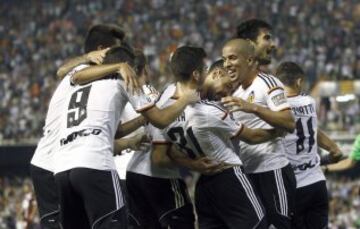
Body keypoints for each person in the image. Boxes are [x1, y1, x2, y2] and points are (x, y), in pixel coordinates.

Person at [53, 46, 199, 229]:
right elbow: (161, 120)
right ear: (128, 67)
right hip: (94, 164)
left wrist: (138, 124)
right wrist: (185, 100)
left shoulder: (79, 86)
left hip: (62, 169)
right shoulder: (124, 80)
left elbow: (112, 131)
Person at [151, 45, 282, 229]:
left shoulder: (164, 102)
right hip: (228, 174)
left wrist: (191, 164)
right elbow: (252, 136)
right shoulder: (209, 110)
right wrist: (280, 128)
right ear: (213, 74)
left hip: (203, 184)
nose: (227, 93)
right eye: (228, 86)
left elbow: (162, 152)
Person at [30, 24, 136, 229]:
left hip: (62, 161)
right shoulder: (83, 71)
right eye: (113, 51)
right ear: (100, 49)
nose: (117, 57)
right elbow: (64, 71)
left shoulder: (92, 77)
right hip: (51, 162)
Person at [221, 35, 296, 228]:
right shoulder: (236, 93)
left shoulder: (268, 83)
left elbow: (289, 122)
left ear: (250, 60)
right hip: (248, 172)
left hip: (273, 170)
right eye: (224, 59)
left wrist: (253, 108)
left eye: (232, 58)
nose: (227, 64)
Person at [276, 62, 343, 229]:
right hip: (317, 182)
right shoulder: (309, 101)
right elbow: (311, 128)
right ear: (299, 81)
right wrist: (333, 149)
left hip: (292, 185)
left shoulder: (276, 109)